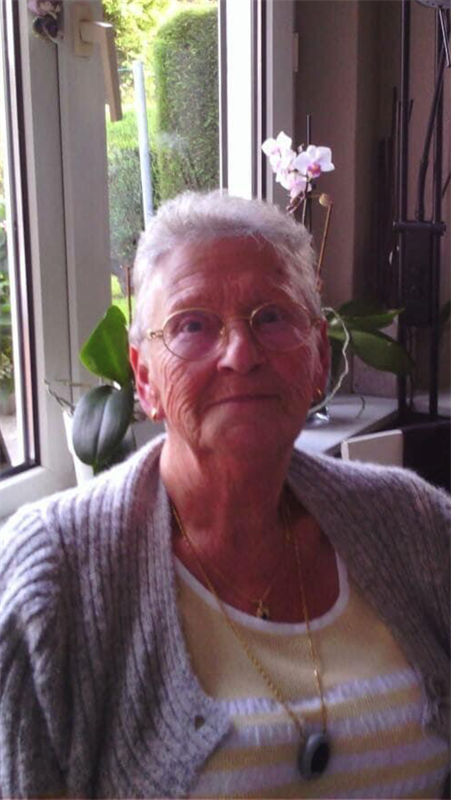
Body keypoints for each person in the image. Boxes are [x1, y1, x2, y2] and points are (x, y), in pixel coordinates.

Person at [1, 191, 450, 800]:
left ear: (319, 357)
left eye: (272, 318)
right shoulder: (53, 578)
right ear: (145, 379)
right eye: (192, 325)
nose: (240, 354)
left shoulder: (414, 522)